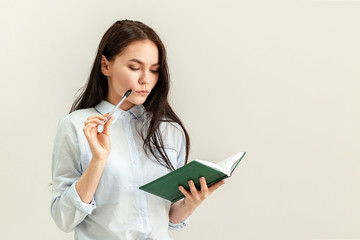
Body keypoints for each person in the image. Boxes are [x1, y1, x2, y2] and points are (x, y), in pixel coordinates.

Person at [50, 19, 225, 240]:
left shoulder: (169, 131)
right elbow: (63, 218)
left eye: (154, 70)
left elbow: (166, 218)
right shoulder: (76, 126)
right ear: (105, 66)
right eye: (135, 68)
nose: (145, 80)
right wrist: (98, 161)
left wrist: (191, 203)